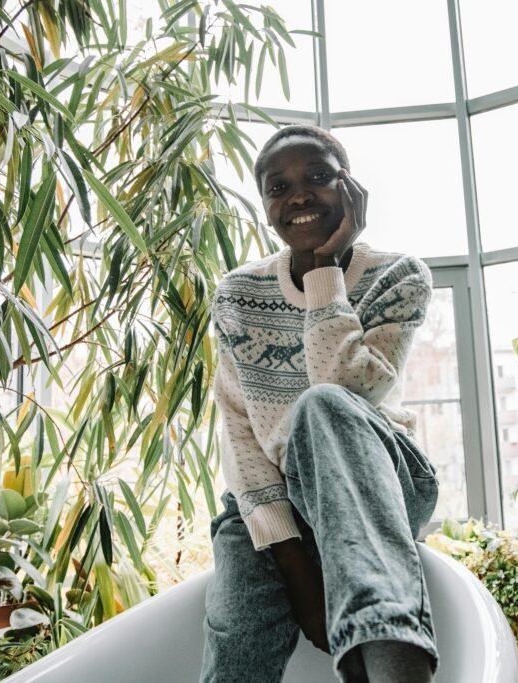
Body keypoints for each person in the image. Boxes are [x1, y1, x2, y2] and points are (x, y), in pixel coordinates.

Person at [200, 124, 439, 683]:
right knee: (236, 629)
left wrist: (326, 273)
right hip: (274, 498)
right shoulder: (238, 292)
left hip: (378, 482)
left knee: (321, 406)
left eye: (318, 176)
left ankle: (398, 673)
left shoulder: (397, 276)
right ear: (265, 207)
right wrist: (301, 577)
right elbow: (239, 433)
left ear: (351, 188)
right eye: (277, 187)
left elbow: (352, 393)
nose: (299, 195)